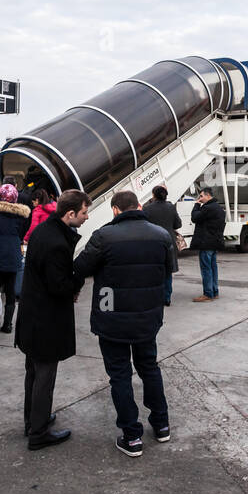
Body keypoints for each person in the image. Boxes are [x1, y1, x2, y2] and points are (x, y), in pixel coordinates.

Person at [73, 190, 175, 457]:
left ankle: (132, 437)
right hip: (147, 317)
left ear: (115, 210)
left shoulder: (104, 236)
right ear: (138, 206)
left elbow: (80, 268)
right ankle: (162, 424)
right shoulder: (161, 236)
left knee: (120, 374)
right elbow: (167, 271)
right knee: (149, 368)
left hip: (112, 317)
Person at [14, 189, 90, 450]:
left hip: (32, 314)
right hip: (45, 318)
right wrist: (78, 278)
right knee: (44, 376)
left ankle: (33, 420)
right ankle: (39, 433)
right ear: (70, 213)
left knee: (33, 373)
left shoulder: (42, 230)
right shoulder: (57, 243)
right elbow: (59, 286)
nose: (87, 217)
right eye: (83, 212)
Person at [0, 184, 30, 334]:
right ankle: (7, 325)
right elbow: (21, 234)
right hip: (13, 254)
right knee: (10, 292)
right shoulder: (21, 215)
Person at [142, 184, 182, 306]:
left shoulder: (147, 208)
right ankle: (167, 298)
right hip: (169, 242)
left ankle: (154, 297)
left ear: (153, 195)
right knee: (168, 271)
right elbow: (178, 224)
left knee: (153, 270)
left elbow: (143, 225)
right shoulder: (171, 207)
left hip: (152, 242)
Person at [190, 186, 225, 303]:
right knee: (213, 268)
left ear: (208, 195)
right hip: (215, 242)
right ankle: (214, 291)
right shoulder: (219, 208)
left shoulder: (208, 208)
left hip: (206, 242)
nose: (200, 198)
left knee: (206, 269)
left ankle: (208, 294)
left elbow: (195, 218)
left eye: (201, 196)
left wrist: (196, 205)